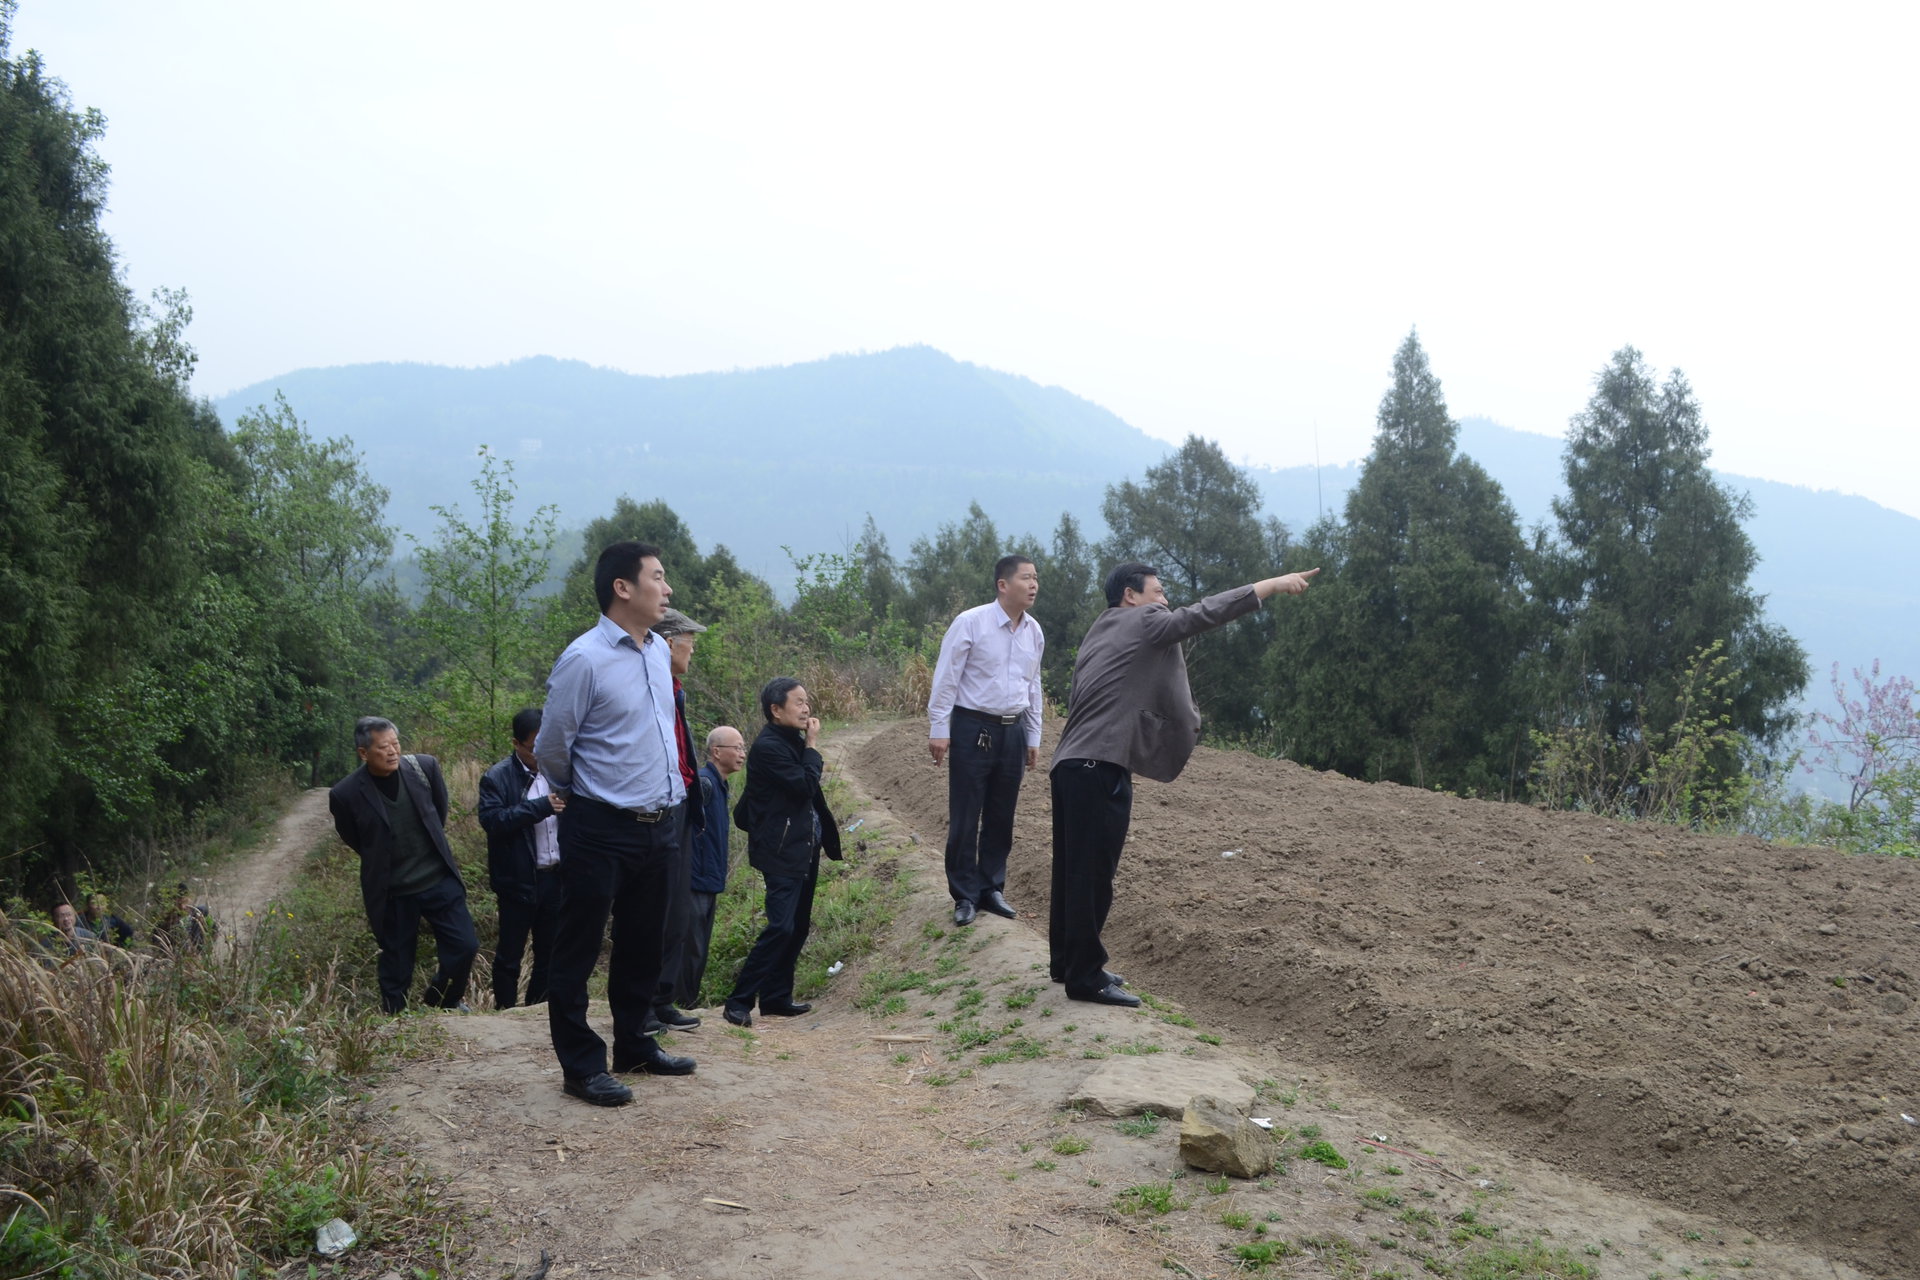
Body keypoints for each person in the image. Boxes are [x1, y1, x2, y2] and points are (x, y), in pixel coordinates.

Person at [1049, 562, 1317, 1006]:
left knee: (1072, 870)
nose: (1165, 600)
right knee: (1093, 874)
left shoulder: (1103, 627)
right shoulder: (1145, 620)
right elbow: (1201, 614)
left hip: (1072, 763)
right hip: (1100, 764)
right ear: (1131, 596)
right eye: (1158, 591)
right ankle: (1085, 977)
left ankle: (1068, 962)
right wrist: (1270, 585)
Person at [536, 541, 695, 1107]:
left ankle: (634, 1042)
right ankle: (581, 1065)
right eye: (658, 576)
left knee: (642, 943)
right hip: (600, 825)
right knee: (578, 947)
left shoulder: (655, 650)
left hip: (659, 823)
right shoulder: (583, 659)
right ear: (622, 588)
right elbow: (553, 746)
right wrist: (584, 798)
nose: (667, 587)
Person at [328, 717, 478, 1014]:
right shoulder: (345, 794)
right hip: (394, 891)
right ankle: (396, 1020)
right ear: (363, 753)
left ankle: (443, 1000)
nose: (393, 751)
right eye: (383, 747)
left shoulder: (424, 768)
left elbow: (438, 813)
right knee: (396, 963)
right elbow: (356, 839)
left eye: (396, 744)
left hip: (438, 879)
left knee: (465, 945)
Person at [928, 554, 1044, 927]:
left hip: (1014, 729)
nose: (1033, 585)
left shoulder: (1034, 631)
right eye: (1026, 578)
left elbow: (1034, 685)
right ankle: (964, 894)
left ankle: (992, 888)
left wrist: (1033, 735)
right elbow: (946, 677)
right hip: (972, 727)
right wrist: (939, 729)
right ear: (1002, 585)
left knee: (1001, 814)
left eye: (1035, 579)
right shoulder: (971, 623)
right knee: (966, 813)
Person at [724, 679, 841, 1028]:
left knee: (798, 925)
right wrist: (814, 746)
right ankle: (739, 1001)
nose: (806, 708)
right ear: (776, 711)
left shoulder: (790, 741)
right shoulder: (769, 747)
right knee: (781, 926)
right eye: (798, 703)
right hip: (781, 849)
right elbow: (806, 785)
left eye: (807, 702)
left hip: (803, 845)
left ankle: (775, 998)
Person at [645, 608, 709, 1035]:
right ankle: (644, 1005)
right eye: (689, 641)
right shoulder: (649, 685)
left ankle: (662, 999)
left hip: (681, 802)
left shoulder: (674, 686)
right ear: (669, 643)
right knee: (656, 909)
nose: (693, 649)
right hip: (657, 807)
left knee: (678, 911)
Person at [477, 707, 565, 1009]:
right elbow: (493, 821)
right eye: (534, 747)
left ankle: (537, 1010)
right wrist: (540, 807)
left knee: (550, 953)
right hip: (517, 880)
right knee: (510, 955)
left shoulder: (561, 772)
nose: (541, 753)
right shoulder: (497, 777)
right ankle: (505, 1011)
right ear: (516, 744)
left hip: (556, 876)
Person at [681, 724, 744, 1004]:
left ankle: (686, 1001)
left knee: (699, 947)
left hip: (709, 879)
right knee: (690, 947)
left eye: (743, 748)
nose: (742, 754)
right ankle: (680, 1002)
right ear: (717, 752)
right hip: (694, 880)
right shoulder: (704, 783)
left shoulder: (720, 785)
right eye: (737, 748)